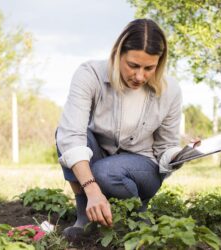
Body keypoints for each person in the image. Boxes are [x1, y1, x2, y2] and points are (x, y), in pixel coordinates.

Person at [55, 18, 184, 238]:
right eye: (133, 65)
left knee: (105, 171)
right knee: (67, 135)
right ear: (117, 54)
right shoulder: (90, 75)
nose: (140, 76)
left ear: (159, 63)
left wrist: (179, 155)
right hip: (101, 157)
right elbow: (71, 137)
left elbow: (166, 146)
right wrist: (92, 189)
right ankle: (86, 218)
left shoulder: (170, 90)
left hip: (144, 168)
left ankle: (136, 216)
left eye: (149, 68)